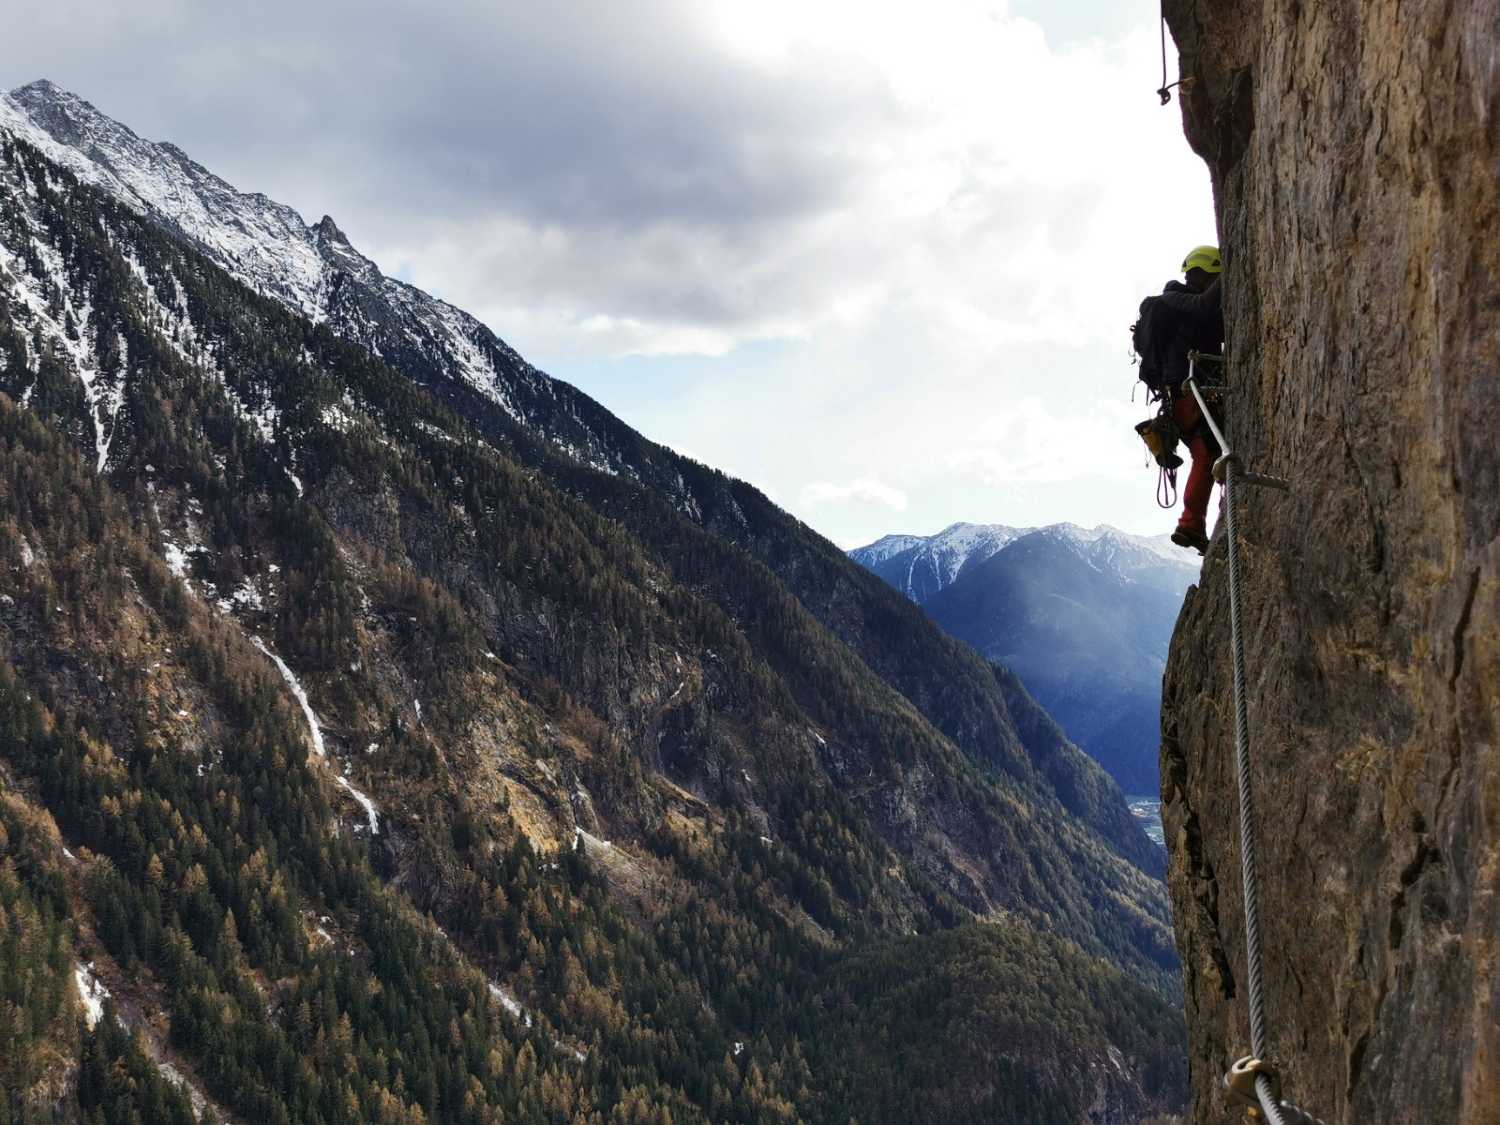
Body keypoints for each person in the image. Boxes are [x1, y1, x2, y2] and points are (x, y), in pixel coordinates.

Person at [1154, 245, 1225, 553]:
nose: (1214, 284)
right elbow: (1206, 305)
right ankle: (1190, 524)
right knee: (1206, 454)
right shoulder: (1173, 297)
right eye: (1213, 277)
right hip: (1185, 392)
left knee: (1209, 452)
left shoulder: (1189, 307)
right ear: (1203, 273)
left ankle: (1192, 524)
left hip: (1190, 392)